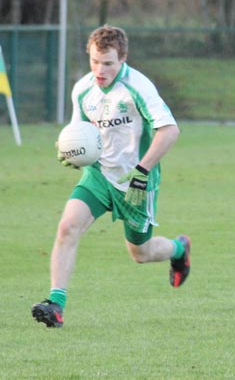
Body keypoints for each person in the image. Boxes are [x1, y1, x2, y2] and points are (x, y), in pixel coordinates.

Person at [32, 25, 191, 328]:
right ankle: (56, 304)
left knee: (140, 253)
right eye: (94, 62)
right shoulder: (82, 89)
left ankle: (180, 249)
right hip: (100, 176)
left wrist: (142, 171)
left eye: (108, 63)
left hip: (136, 183)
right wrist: (67, 151)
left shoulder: (138, 87)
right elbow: (79, 134)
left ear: (123, 59)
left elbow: (170, 130)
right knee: (67, 227)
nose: (100, 70)